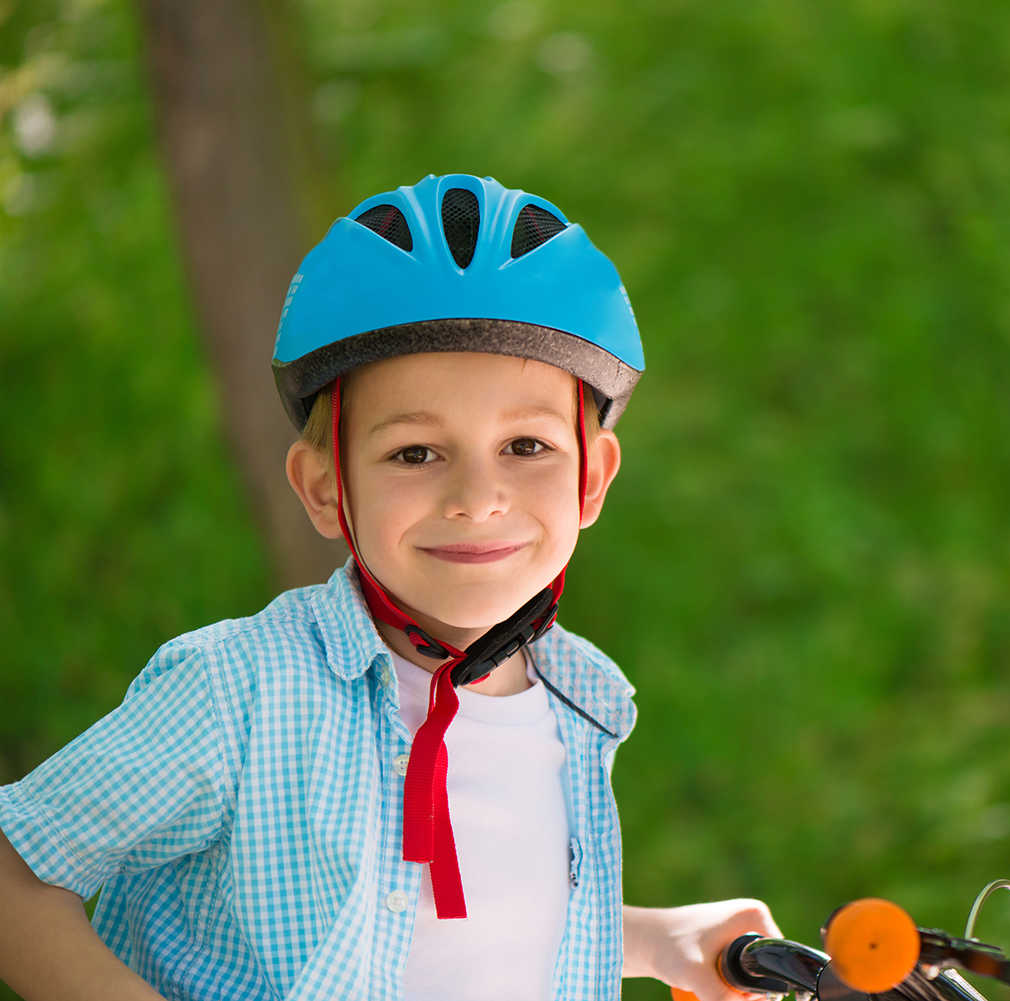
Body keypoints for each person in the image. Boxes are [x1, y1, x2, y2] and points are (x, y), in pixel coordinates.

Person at [0, 174, 778, 1001]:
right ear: (327, 488)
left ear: (592, 480)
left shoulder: (575, 698)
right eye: (415, 453)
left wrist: (660, 939)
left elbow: (443, 925)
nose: (478, 496)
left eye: (526, 446)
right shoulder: (244, 689)